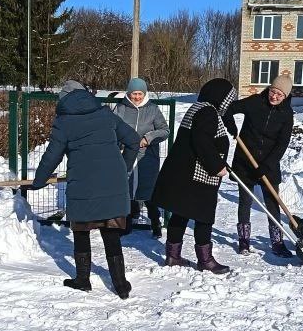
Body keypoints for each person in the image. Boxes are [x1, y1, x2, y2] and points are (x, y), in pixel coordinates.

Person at [31, 80, 141, 299]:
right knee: (111, 232)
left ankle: (83, 280)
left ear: (63, 100)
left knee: (81, 231)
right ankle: (120, 285)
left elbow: (52, 155)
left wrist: (38, 181)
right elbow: (134, 141)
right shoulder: (105, 114)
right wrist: (123, 168)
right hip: (113, 181)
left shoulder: (64, 122)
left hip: (83, 184)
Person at [150, 77, 237, 274]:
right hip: (199, 175)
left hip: (184, 173)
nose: (228, 103)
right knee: (204, 217)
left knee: (180, 213)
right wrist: (217, 166)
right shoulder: (208, 112)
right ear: (220, 97)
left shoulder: (199, 108)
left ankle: (173, 255)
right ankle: (205, 260)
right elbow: (203, 141)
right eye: (228, 99)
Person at [227, 74, 294, 257]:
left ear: (285, 97)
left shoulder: (287, 114)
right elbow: (229, 109)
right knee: (245, 201)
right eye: (273, 91)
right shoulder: (255, 102)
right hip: (245, 162)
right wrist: (231, 126)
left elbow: (282, 143)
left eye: (280, 95)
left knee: (272, 203)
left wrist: (268, 165)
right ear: (268, 89)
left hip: (268, 165)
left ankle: (277, 242)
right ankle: (244, 241)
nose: (274, 97)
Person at [112, 77, 169, 237]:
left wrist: (148, 138)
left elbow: (165, 130)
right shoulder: (120, 108)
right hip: (126, 156)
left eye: (140, 94)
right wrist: (119, 143)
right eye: (133, 94)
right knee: (126, 188)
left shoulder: (153, 109)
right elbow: (112, 128)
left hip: (147, 157)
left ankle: (155, 221)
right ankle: (127, 222)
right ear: (128, 93)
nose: (136, 97)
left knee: (147, 190)